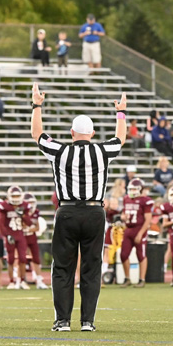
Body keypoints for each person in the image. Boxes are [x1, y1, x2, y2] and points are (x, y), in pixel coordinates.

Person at [32, 81, 125, 332]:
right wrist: (120, 113)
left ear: (72, 133)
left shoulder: (61, 151)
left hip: (67, 212)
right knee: (91, 268)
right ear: (93, 134)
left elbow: (37, 135)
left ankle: (62, 321)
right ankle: (87, 322)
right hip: (95, 212)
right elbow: (120, 138)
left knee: (63, 268)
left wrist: (36, 105)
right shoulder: (102, 151)